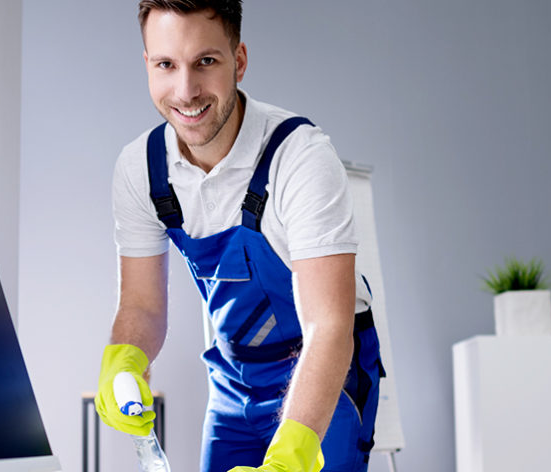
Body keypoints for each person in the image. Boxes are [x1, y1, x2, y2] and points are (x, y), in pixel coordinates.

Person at [94, 1, 384, 471]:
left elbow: (328, 328)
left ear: (239, 61)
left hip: (326, 374)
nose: (186, 91)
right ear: (147, 64)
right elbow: (142, 307)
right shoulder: (140, 169)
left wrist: (290, 457)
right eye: (167, 65)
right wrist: (125, 357)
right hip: (235, 381)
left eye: (205, 62)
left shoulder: (300, 158)